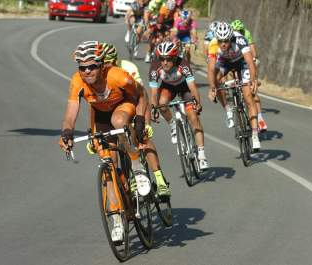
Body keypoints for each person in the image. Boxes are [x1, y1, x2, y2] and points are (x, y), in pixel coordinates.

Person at [58, 41, 148, 242]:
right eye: (82, 67)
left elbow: (141, 95)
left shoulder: (117, 76)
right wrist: (66, 133)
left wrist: (141, 120)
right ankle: (116, 218)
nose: (87, 71)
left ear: (102, 65)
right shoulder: (77, 82)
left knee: (118, 120)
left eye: (92, 66)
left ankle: (136, 164)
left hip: (124, 105)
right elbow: (71, 112)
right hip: (100, 115)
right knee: (107, 163)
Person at [101, 42, 171, 196]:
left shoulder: (128, 68)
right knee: (111, 150)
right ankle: (125, 188)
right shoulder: (98, 73)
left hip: (133, 103)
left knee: (142, 138)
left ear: (115, 61)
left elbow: (142, 96)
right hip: (112, 109)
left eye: (109, 64)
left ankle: (160, 180)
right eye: (103, 64)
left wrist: (145, 123)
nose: (106, 68)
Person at [149, 41, 209, 170]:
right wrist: (153, 109)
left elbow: (193, 87)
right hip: (168, 87)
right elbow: (154, 94)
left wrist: (197, 102)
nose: (164, 62)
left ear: (175, 58)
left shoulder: (183, 65)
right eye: (162, 59)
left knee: (193, 117)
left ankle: (202, 155)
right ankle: (172, 125)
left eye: (168, 59)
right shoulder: (155, 67)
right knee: (161, 104)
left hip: (184, 88)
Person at [207, 22, 261, 151]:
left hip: (241, 62)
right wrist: (212, 87)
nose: (223, 44)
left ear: (231, 38)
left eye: (226, 41)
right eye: (221, 41)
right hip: (225, 62)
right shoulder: (213, 44)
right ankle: (228, 109)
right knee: (216, 79)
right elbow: (210, 69)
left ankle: (254, 135)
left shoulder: (239, 39)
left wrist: (253, 80)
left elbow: (249, 61)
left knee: (248, 97)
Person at [230, 19, 268, 132]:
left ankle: (260, 119)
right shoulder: (230, 37)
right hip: (234, 60)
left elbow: (252, 50)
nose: (238, 32)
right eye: (236, 30)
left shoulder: (246, 34)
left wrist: (254, 59)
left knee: (253, 92)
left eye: (240, 30)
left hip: (246, 60)